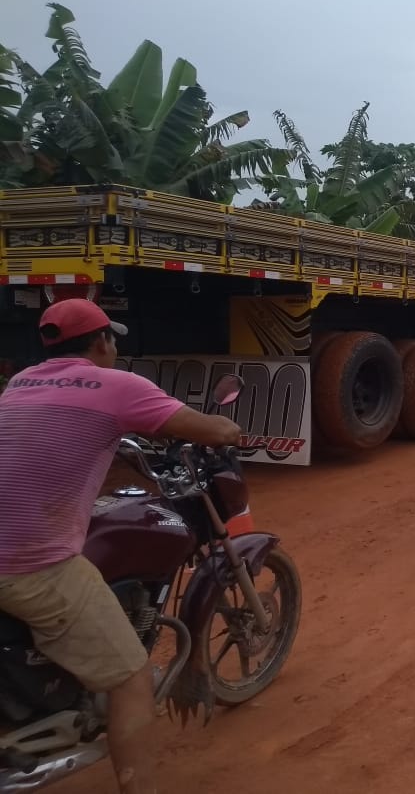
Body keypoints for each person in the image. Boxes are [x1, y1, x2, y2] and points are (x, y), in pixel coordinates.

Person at [0, 299, 242, 794]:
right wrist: (231, 430)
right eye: (113, 339)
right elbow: (215, 428)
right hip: (29, 564)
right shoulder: (117, 385)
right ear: (102, 342)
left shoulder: (20, 383)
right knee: (131, 677)